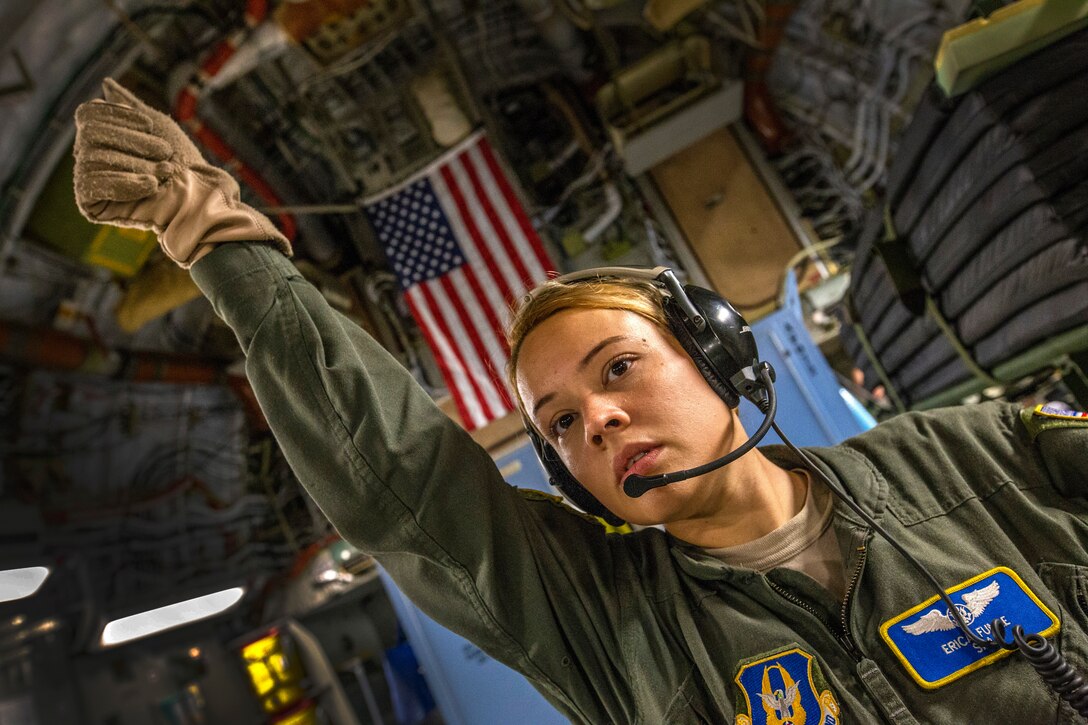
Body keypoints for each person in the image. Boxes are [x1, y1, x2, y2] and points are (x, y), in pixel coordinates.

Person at [73, 79, 1088, 724]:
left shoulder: (975, 454)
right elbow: (400, 479)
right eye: (556, 422)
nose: (592, 420)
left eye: (615, 369)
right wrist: (208, 228)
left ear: (716, 354)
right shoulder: (599, 616)